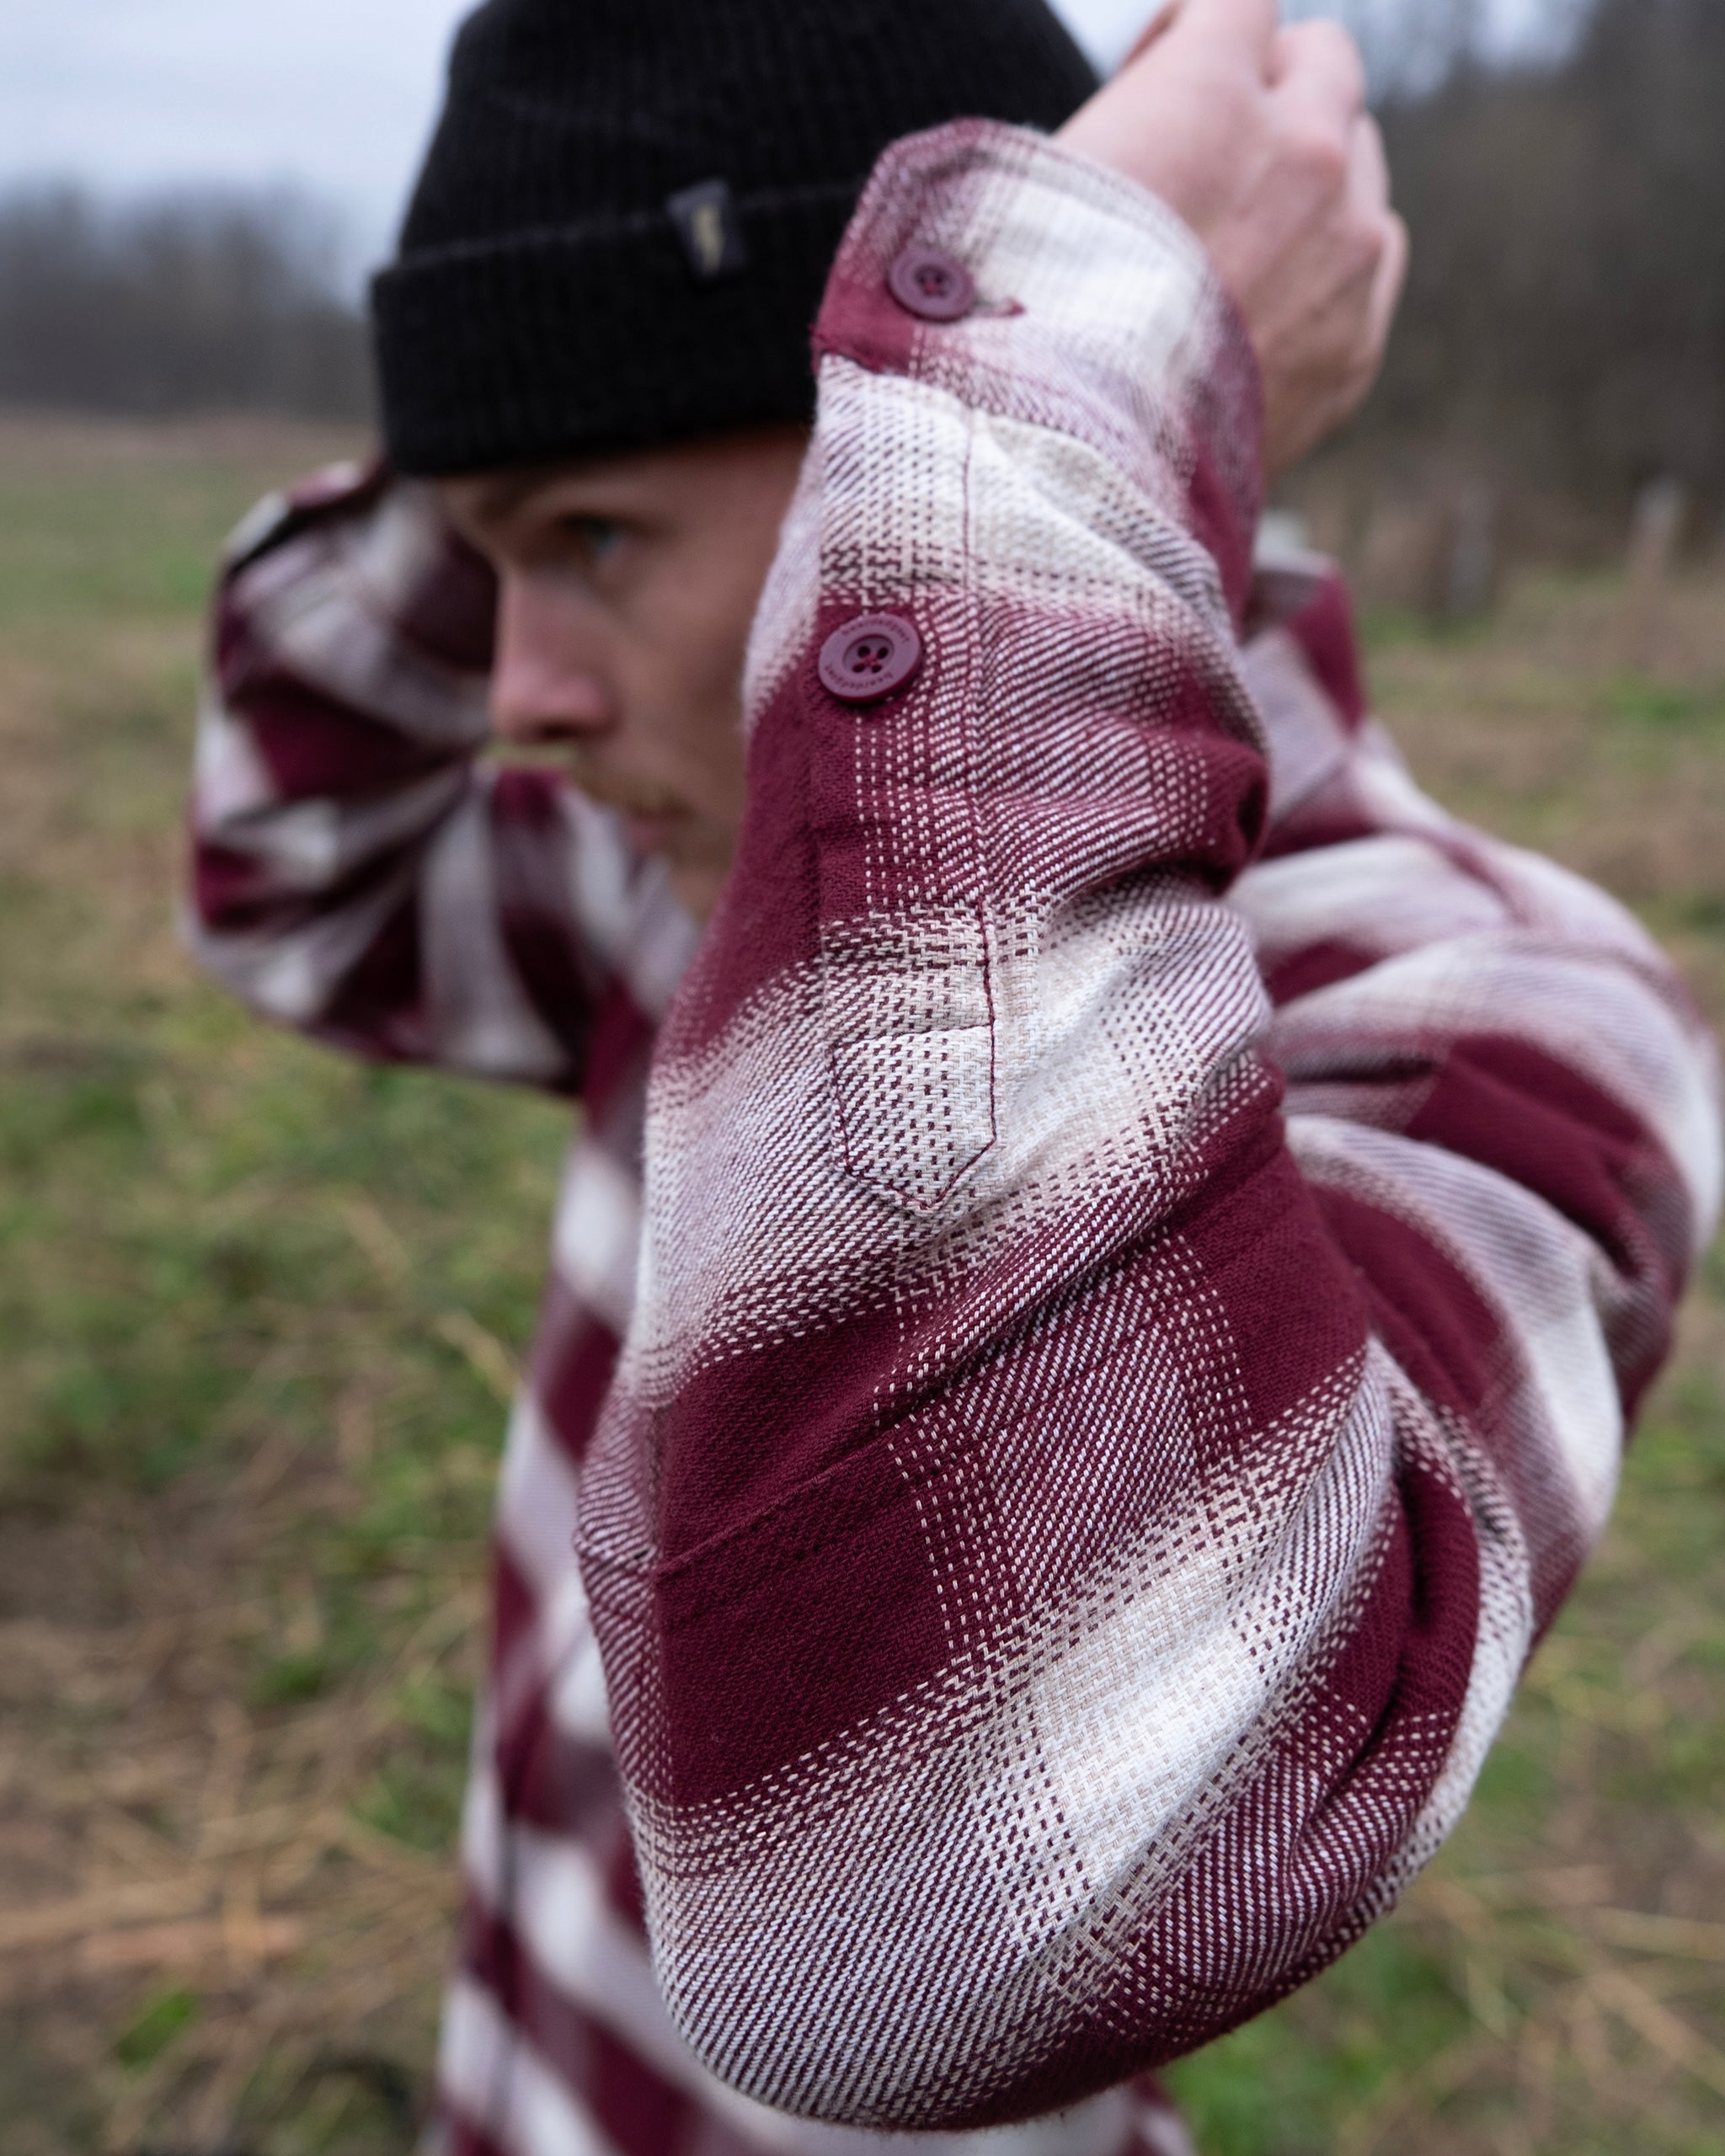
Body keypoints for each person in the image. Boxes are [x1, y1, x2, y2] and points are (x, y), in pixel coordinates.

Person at [186, 0, 1720, 2148]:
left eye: (588, 542)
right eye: (485, 553)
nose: (511, 693)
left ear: (897, 455)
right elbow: (290, 865)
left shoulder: (1489, 1004)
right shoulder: (705, 865)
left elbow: (948, 1911)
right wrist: (567, 394)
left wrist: (1051, 360)